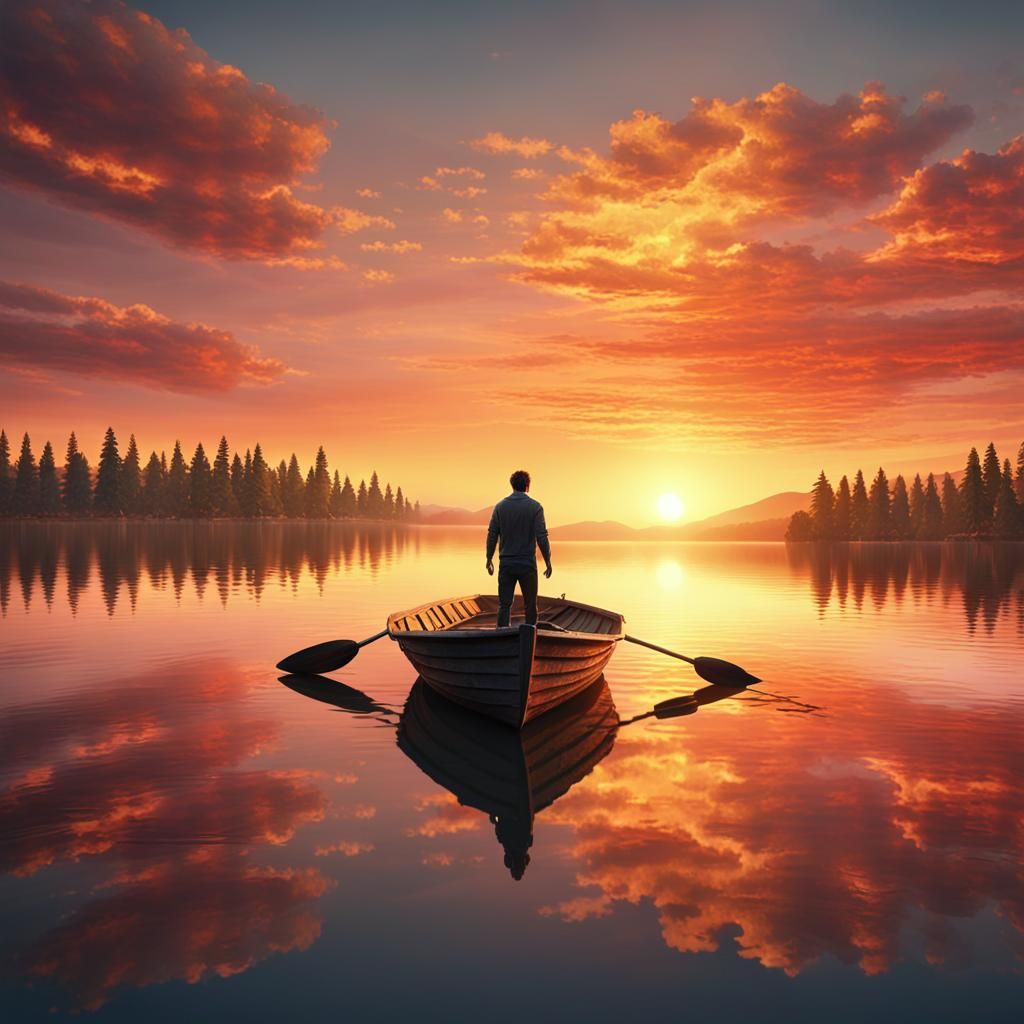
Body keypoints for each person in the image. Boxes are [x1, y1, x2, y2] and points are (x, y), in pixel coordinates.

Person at [485, 469, 552, 628]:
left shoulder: (500, 507)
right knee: (530, 604)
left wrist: (489, 558)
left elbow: (492, 535)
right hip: (527, 564)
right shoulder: (535, 507)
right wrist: (548, 561)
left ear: (512, 485)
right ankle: (531, 637)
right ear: (527, 486)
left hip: (506, 564)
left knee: (504, 604)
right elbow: (541, 536)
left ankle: (501, 637)